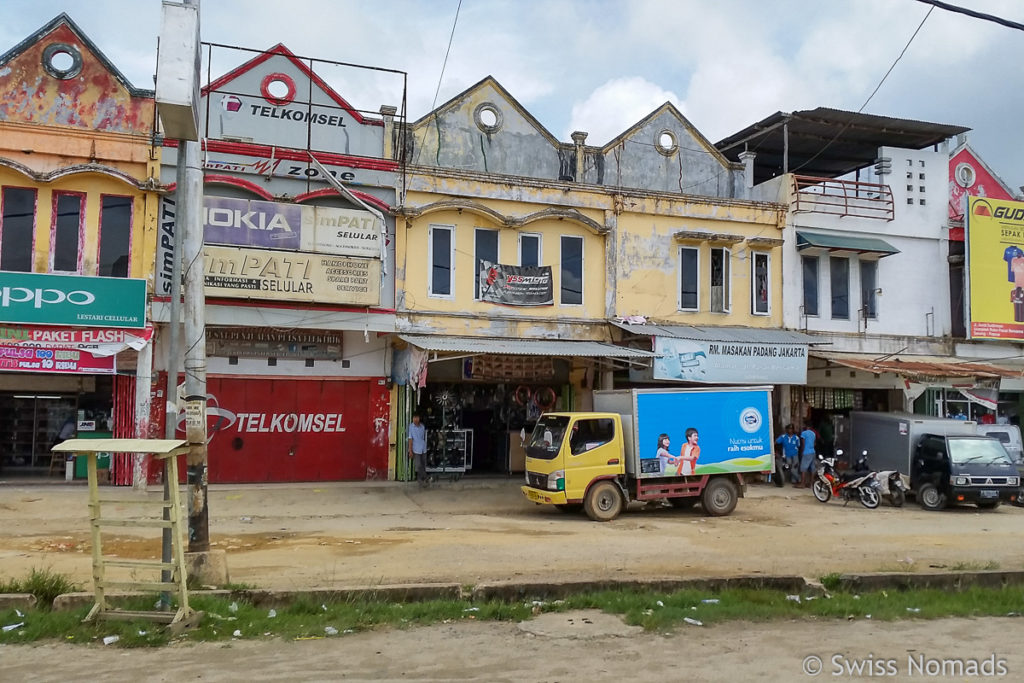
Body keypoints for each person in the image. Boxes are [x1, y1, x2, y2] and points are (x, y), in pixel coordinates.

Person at [407, 413, 428, 487]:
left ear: (419, 418)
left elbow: (423, 437)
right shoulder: (411, 427)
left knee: (423, 465)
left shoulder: (422, 427)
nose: (415, 419)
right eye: (414, 418)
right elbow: (410, 439)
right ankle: (425, 478)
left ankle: (421, 481)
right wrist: (410, 450)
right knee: (418, 465)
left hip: (423, 448)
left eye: (417, 417)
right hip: (416, 449)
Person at [798, 423, 817, 488]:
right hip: (813, 452)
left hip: (806, 452)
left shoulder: (804, 433)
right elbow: (814, 443)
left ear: (806, 426)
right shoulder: (813, 433)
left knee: (803, 468)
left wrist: (801, 452)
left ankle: (802, 484)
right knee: (812, 468)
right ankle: (811, 484)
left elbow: (803, 444)